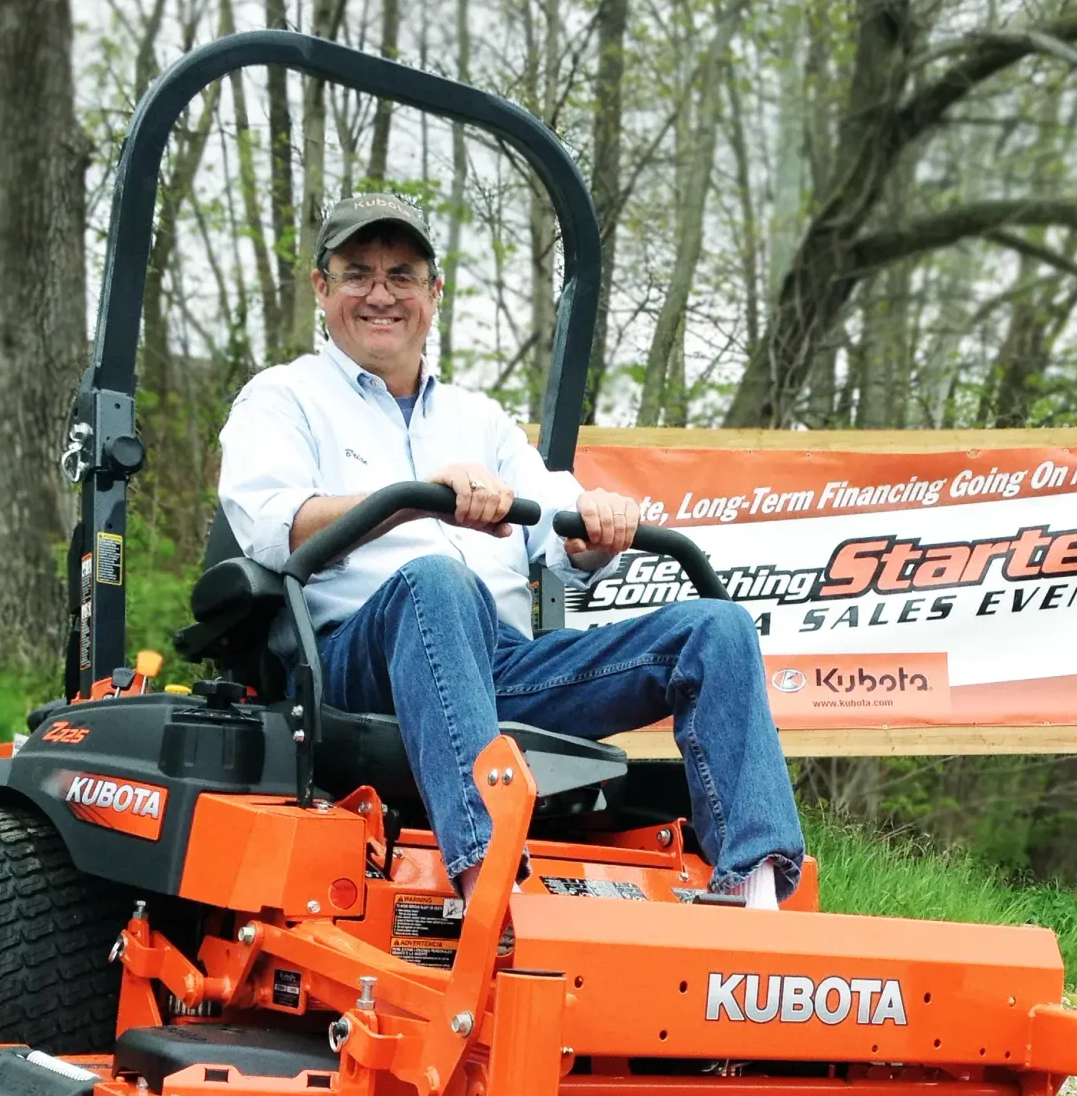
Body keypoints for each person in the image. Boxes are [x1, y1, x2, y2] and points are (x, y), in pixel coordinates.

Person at [215, 191, 803, 907]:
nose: (380, 294)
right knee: (436, 581)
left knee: (717, 630)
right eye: (357, 273)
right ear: (321, 288)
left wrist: (594, 525)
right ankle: (488, 883)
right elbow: (274, 527)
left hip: (498, 663)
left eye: (401, 275)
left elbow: (558, 530)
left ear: (433, 293)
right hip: (355, 656)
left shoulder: (478, 419)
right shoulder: (283, 400)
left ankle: (758, 893)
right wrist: (412, 491)